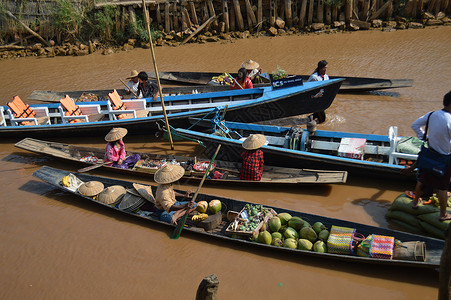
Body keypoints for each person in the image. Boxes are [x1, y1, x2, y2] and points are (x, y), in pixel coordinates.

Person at [410, 91, 451, 222]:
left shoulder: (432, 114)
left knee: (422, 180)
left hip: (429, 155)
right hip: (444, 159)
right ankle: (443, 215)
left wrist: (425, 137)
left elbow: (415, 125)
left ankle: (415, 203)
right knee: (442, 187)